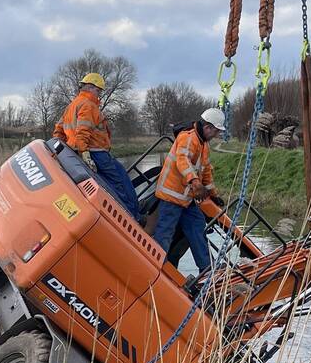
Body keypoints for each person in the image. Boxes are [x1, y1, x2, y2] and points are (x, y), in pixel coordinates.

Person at [52, 72, 141, 220]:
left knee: (118, 177)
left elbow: (58, 131)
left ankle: (133, 213)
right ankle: (133, 217)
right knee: (118, 184)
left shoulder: (72, 105)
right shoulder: (88, 105)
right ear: (91, 87)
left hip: (82, 153)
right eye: (98, 91)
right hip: (96, 153)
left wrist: (62, 151)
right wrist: (85, 152)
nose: (99, 94)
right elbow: (83, 132)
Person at [153, 108, 227, 274]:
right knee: (165, 233)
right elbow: (183, 161)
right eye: (215, 131)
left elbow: (206, 171)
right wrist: (194, 181)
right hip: (171, 196)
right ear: (207, 127)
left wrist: (213, 195)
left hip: (187, 199)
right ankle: (158, 268)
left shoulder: (203, 144)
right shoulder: (188, 137)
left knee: (197, 228)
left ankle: (207, 269)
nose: (216, 135)